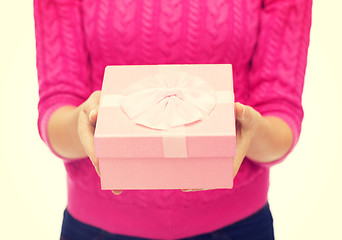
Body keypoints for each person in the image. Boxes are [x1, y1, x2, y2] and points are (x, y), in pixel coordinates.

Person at [34, 0, 312, 239]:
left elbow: (280, 114)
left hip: (237, 226)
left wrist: (250, 129)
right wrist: (84, 122)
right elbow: (57, 106)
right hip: (95, 227)